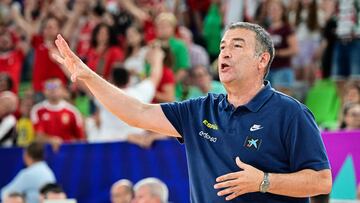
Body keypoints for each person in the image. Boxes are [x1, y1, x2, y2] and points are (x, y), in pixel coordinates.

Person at [53, 21, 332, 202]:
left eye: (237, 46)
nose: (225, 52)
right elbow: (136, 112)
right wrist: (88, 76)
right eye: (222, 46)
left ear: (262, 60)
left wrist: (263, 181)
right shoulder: (200, 109)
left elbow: (321, 181)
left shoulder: (290, 114)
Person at [30, 78, 84, 150]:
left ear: (62, 90)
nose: (52, 90)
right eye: (49, 87)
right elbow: (37, 136)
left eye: (56, 86)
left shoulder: (73, 112)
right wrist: (51, 140)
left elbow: (80, 138)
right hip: (44, 153)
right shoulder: (37, 110)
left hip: (67, 154)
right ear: (44, 90)